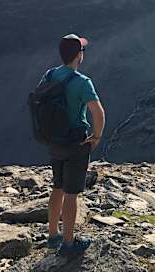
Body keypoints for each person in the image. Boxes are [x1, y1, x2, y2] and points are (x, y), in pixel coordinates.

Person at [39, 34, 106, 256]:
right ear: (79, 55)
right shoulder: (82, 82)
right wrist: (96, 137)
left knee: (57, 187)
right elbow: (98, 113)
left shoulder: (49, 75)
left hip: (53, 142)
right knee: (71, 194)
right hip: (75, 143)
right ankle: (68, 244)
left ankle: (52, 235)